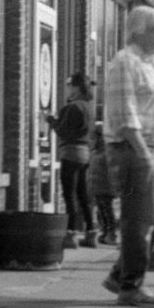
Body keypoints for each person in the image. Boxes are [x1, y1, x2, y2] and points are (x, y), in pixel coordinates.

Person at [100, 6, 154, 308]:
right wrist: (142, 153)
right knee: (139, 221)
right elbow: (124, 114)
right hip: (134, 150)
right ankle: (130, 286)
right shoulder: (125, 62)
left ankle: (119, 273)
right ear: (137, 31)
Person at [47, 72, 96, 248]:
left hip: (70, 152)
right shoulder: (89, 107)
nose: (67, 88)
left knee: (69, 194)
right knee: (83, 194)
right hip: (85, 154)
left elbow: (63, 131)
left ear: (76, 87)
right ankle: (91, 232)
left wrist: (50, 120)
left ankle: (71, 234)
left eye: (69, 85)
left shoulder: (72, 107)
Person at [87, 120, 118, 245]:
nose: (92, 140)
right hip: (98, 187)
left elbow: (112, 169)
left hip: (106, 187)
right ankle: (105, 232)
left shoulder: (107, 152)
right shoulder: (95, 152)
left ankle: (112, 233)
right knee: (101, 212)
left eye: (94, 137)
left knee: (107, 211)